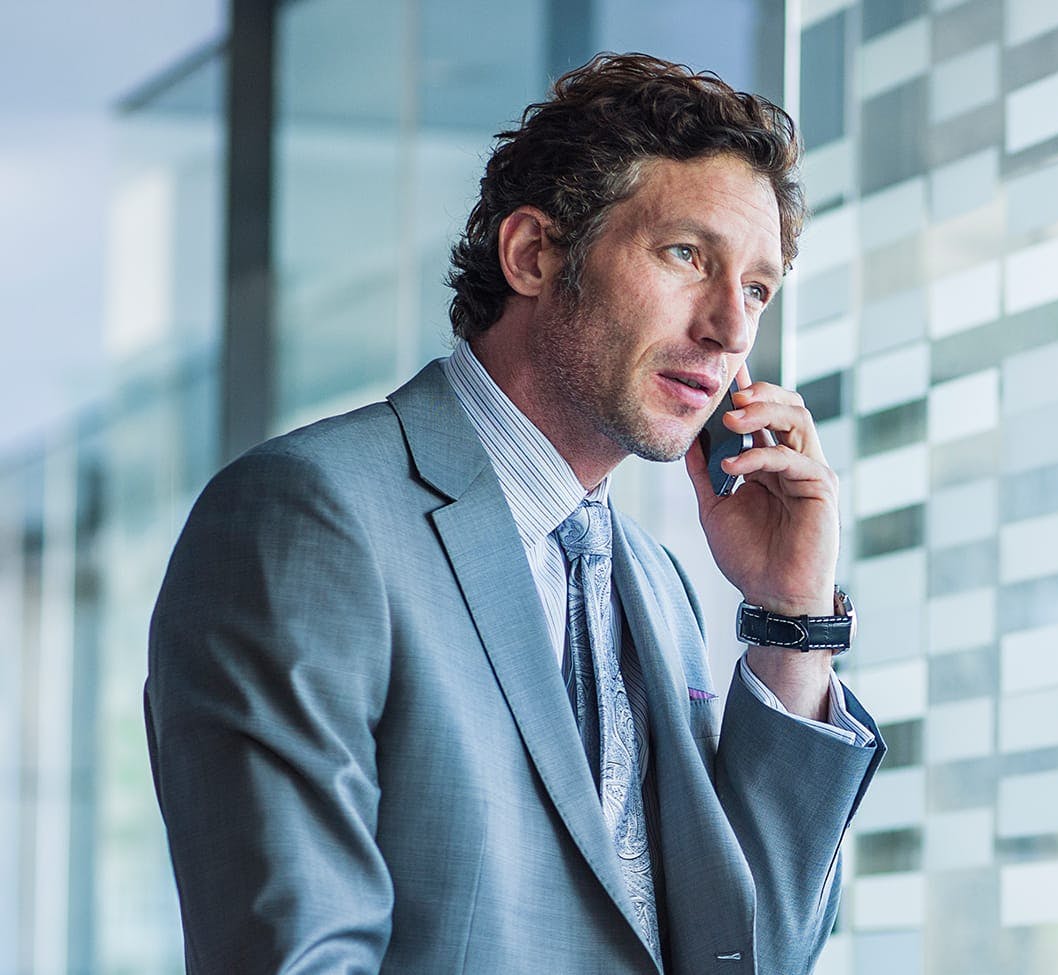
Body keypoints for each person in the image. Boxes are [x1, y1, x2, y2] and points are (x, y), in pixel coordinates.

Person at [145, 52, 885, 975]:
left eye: (759, 288)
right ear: (533, 253)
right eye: (687, 255)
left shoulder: (656, 585)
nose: (731, 327)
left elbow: (753, 955)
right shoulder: (310, 516)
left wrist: (791, 621)